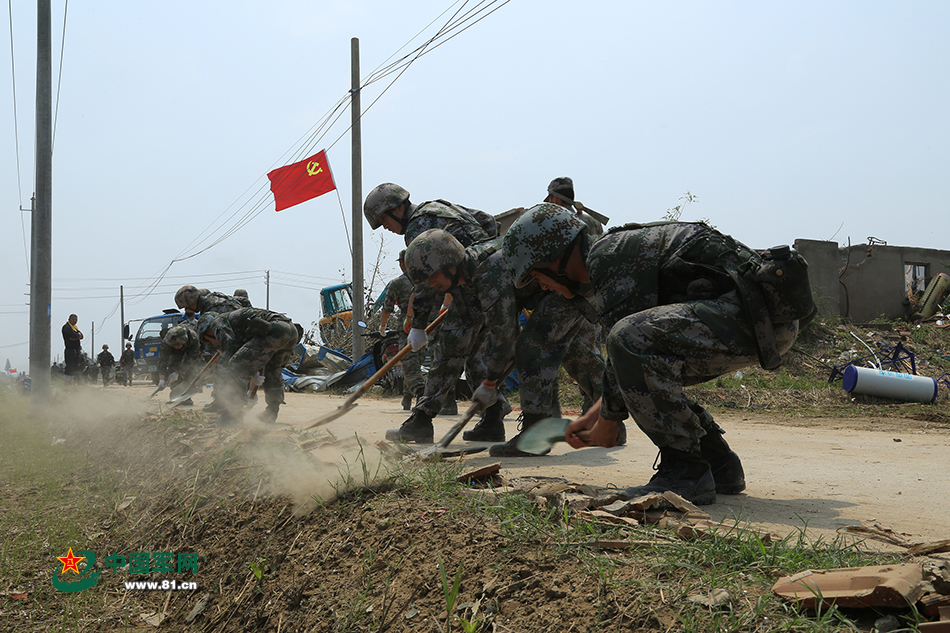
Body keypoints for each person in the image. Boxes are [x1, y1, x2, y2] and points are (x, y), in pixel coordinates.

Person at [503, 203, 814, 505]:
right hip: (754, 320)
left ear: (554, 257)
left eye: (536, 276)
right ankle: (717, 462)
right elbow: (632, 370)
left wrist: (608, 423)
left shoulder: (607, 258)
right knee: (647, 368)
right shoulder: (610, 255)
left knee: (629, 341)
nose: (543, 287)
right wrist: (592, 418)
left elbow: (624, 346)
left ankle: (686, 471)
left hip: (751, 320)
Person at [364, 183, 496, 417]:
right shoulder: (437, 207)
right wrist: (478, 253)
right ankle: (493, 416)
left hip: (471, 290)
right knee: (475, 357)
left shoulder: (417, 229)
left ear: (396, 209)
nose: (387, 228)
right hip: (486, 281)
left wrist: (417, 326)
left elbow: (424, 282)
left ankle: (422, 420)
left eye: (385, 222)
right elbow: (487, 220)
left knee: (447, 352)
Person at [386, 229, 518, 443]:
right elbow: (452, 347)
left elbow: (504, 334)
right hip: (499, 295)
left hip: (554, 290)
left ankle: (536, 426)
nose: (430, 283)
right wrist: (418, 325)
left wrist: (491, 383)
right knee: (451, 345)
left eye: (432, 276)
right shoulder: (457, 277)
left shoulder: (487, 272)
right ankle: (423, 420)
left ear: (449, 264)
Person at [197, 307, 301, 425]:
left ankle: (232, 416)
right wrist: (255, 369)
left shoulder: (216, 323)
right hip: (290, 331)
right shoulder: (232, 322)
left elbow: (232, 346)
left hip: (274, 330)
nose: (213, 342)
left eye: (208, 340)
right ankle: (271, 413)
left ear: (206, 331)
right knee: (272, 370)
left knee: (235, 366)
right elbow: (255, 354)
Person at [378, 250, 426, 410]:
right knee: (415, 363)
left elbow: (387, 308)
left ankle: (420, 393)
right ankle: (407, 396)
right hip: (427, 326)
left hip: (407, 328)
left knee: (408, 363)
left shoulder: (397, 283)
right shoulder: (427, 279)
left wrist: (383, 326)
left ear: (403, 263)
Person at [157, 324, 203, 399]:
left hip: (190, 350)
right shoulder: (167, 341)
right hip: (176, 353)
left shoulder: (193, 337)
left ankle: (187, 394)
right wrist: (161, 378)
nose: (175, 346)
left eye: (177, 345)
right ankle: (177, 395)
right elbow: (163, 359)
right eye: (173, 345)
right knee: (173, 367)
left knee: (191, 370)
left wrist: (178, 372)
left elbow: (191, 359)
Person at [61, 314, 84, 383]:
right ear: (69, 319)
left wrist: (77, 337)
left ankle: (74, 382)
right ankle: (67, 382)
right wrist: (77, 336)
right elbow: (74, 335)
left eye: (76, 319)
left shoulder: (75, 328)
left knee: (76, 366)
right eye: (73, 319)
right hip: (70, 350)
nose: (74, 321)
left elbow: (81, 336)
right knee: (70, 367)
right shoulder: (67, 327)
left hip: (77, 350)